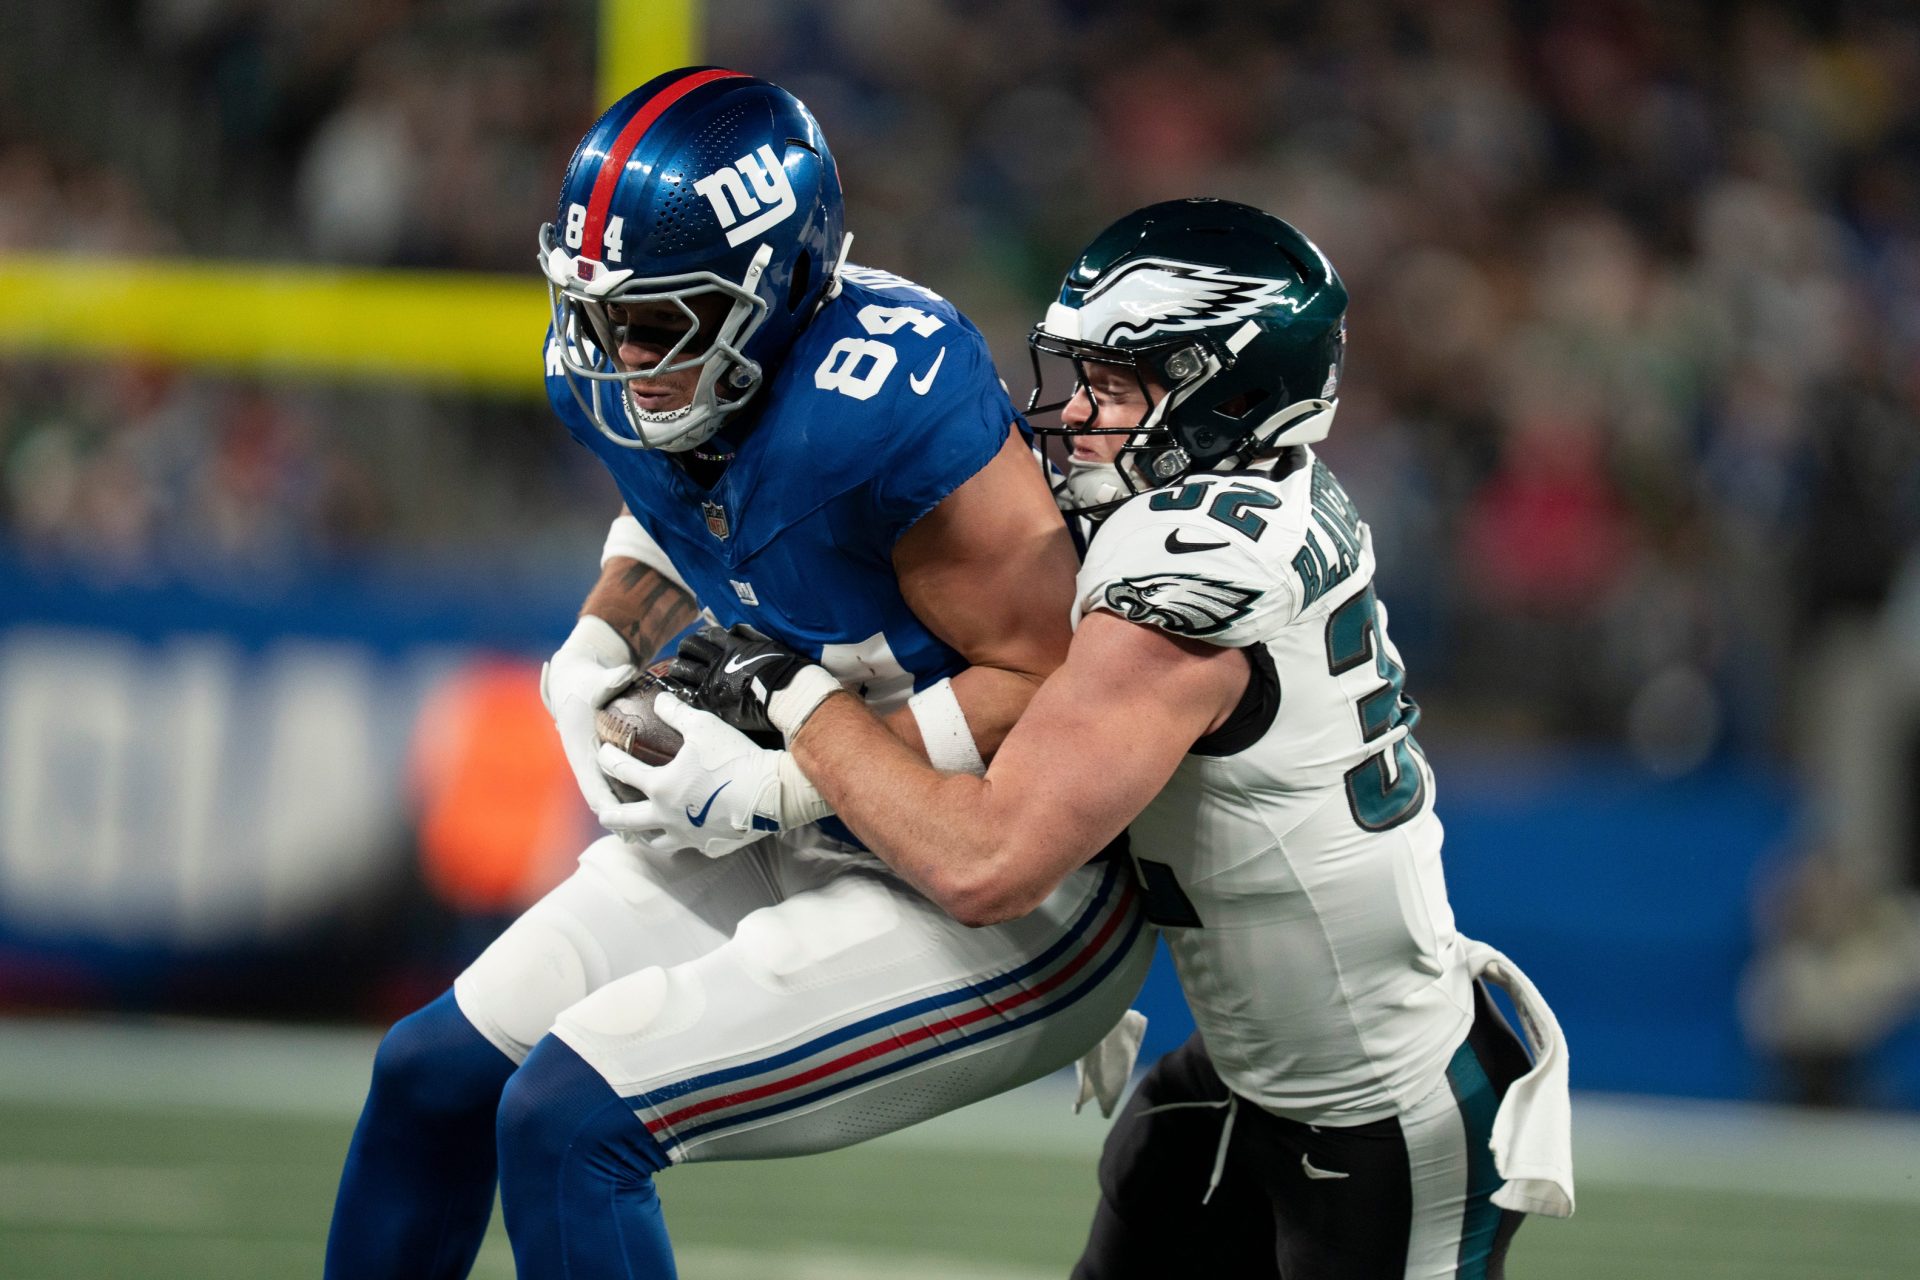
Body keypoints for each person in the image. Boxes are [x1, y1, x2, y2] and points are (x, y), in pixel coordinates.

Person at [638, 198, 1575, 1279]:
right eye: (1078, 370)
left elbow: (986, 860)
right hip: (1239, 1078)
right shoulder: (1215, 497)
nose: (1074, 412)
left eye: (1117, 383)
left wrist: (803, 711)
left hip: (1384, 1113)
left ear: (1230, 394)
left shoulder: (1191, 581)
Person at [324, 68, 1153, 1280]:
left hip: (996, 872)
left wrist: (791, 782)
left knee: (571, 1119)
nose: (620, 353)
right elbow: (687, 511)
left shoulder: (887, 402)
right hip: (805, 790)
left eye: (660, 320)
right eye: (602, 313)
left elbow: (1055, 677)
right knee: (431, 1075)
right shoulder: (634, 369)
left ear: (773, 295)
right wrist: (599, 643)